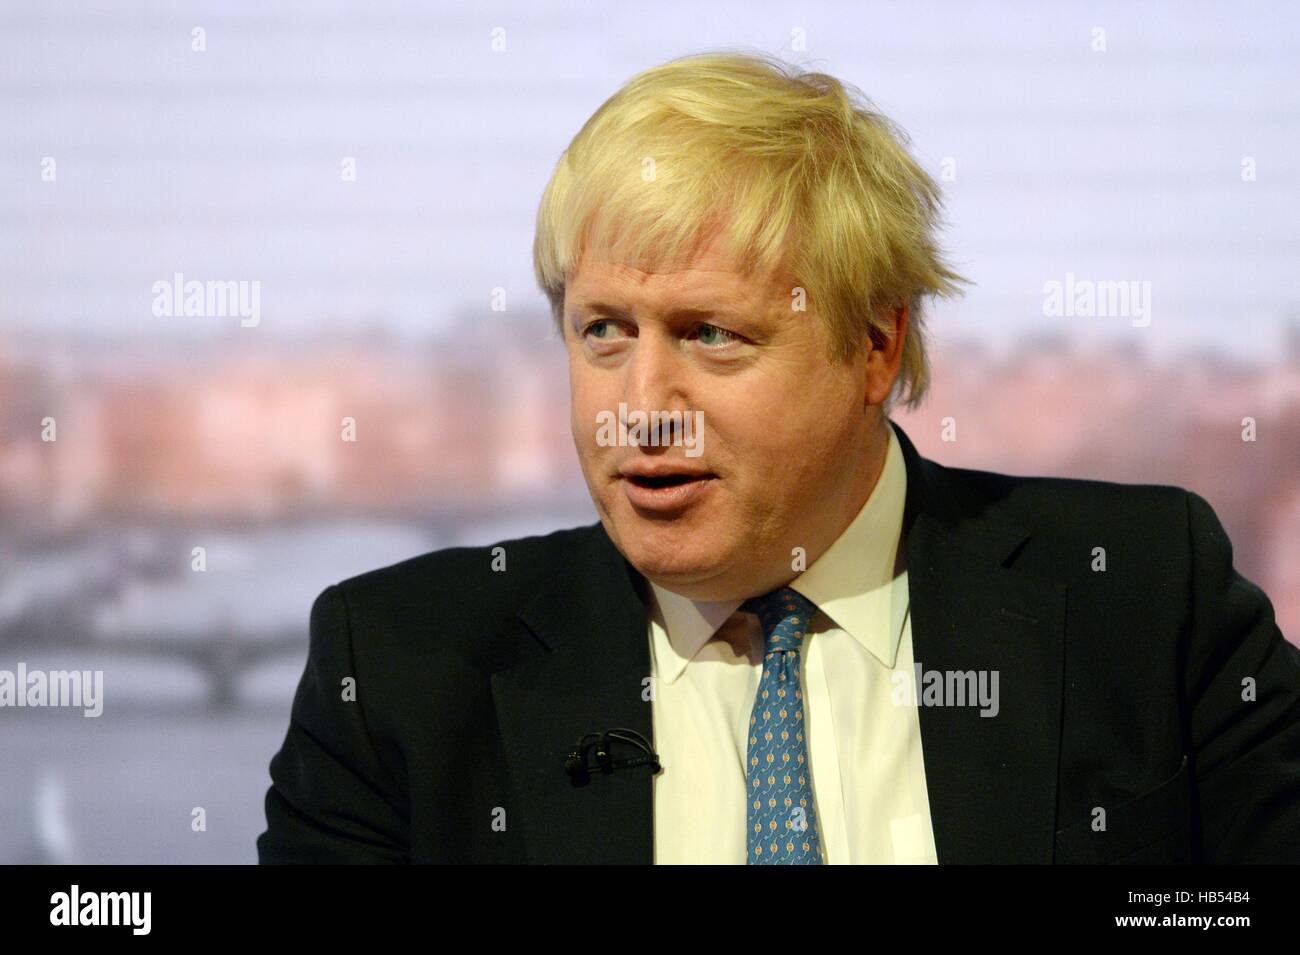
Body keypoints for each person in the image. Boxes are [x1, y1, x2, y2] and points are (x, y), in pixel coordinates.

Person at [257, 50, 1300, 864]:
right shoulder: (398, 666)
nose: (641, 410)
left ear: (873, 346)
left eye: (712, 334)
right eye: (603, 332)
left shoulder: (1144, 593)